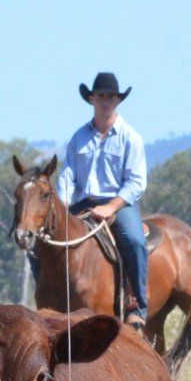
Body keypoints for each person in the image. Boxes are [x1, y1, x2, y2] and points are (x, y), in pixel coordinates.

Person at [54, 72, 150, 329]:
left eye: (110, 97)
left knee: (133, 240)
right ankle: (49, 297)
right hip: (83, 203)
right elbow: (67, 175)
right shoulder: (79, 138)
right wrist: (61, 207)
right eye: (101, 96)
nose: (105, 101)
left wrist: (111, 207)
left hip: (119, 203)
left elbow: (136, 182)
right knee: (47, 238)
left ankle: (137, 306)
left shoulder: (131, 137)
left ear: (118, 101)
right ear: (92, 99)